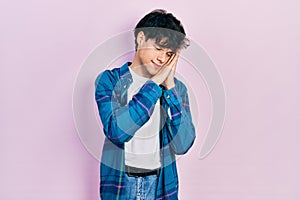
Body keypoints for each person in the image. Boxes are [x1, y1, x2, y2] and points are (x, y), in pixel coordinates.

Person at [95, 9, 196, 200]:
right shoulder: (109, 80)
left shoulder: (177, 89)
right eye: (158, 49)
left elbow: (183, 144)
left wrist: (170, 87)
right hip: (120, 184)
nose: (162, 59)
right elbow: (117, 131)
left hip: (160, 185)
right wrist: (154, 84)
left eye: (169, 54)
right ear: (141, 38)